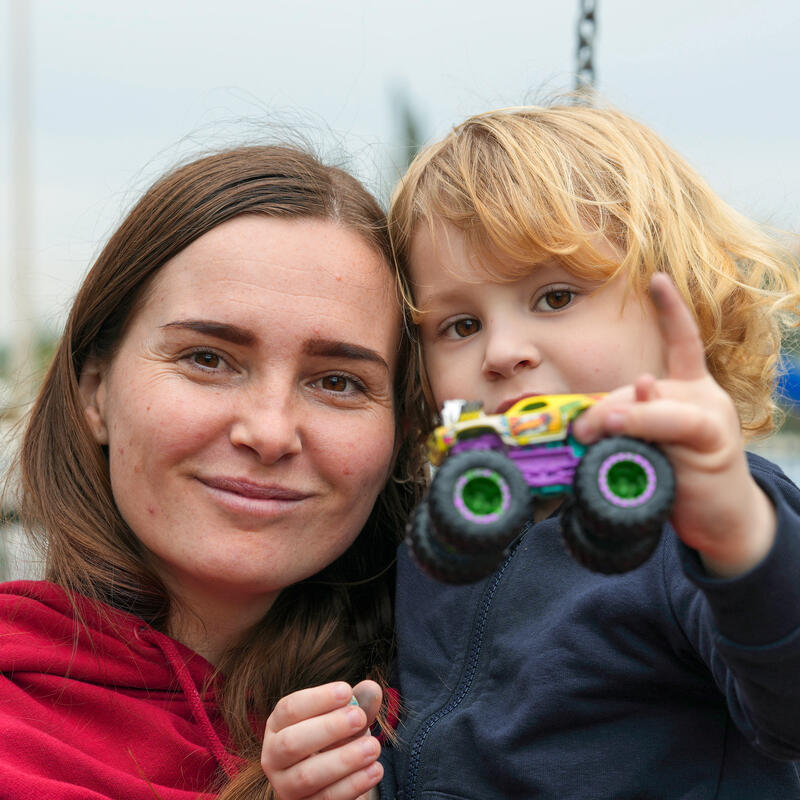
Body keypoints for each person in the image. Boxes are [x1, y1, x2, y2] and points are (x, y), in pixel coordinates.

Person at [377, 104, 800, 798]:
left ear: (680, 311)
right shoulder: (442, 538)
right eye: (461, 324)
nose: (504, 351)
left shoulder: (706, 519)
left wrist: (737, 535)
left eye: (554, 296)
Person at [0, 143, 425, 800]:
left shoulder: (463, 725)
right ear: (95, 391)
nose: (269, 431)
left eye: (337, 381)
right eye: (207, 358)